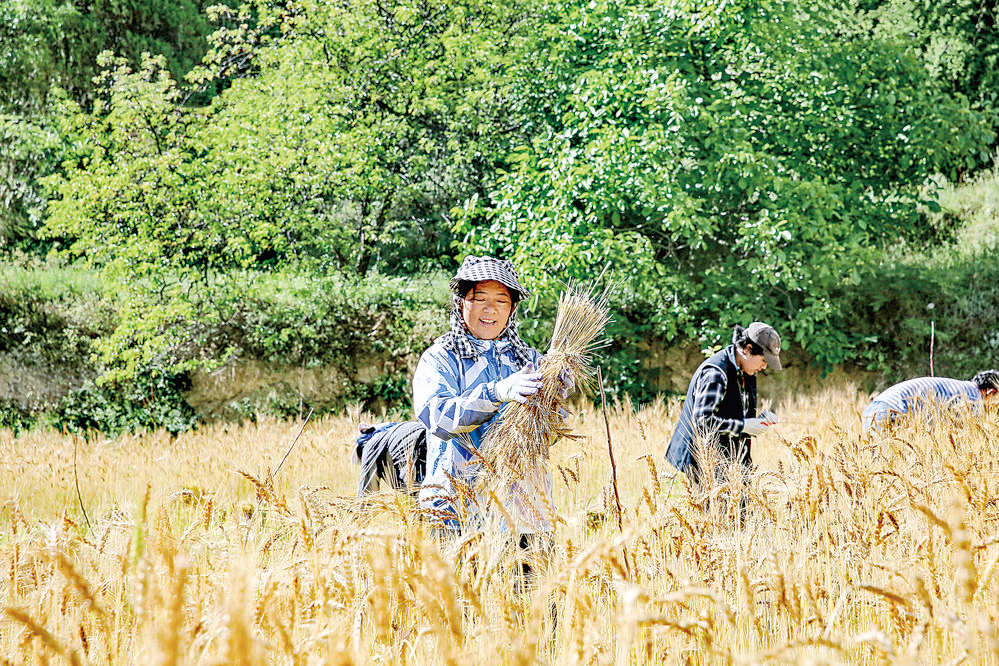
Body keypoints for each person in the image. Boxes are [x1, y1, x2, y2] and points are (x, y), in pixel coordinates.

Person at [413, 255, 571, 535]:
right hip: (457, 513)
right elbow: (438, 419)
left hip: (527, 517)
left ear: (512, 308)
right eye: (480, 298)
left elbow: (550, 437)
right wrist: (496, 392)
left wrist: (554, 400)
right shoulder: (441, 358)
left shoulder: (529, 360)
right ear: (460, 302)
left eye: (501, 300)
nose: (490, 309)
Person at [665, 322, 783, 485]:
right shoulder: (716, 374)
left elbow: (736, 410)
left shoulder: (746, 369)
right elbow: (702, 422)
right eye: (763, 360)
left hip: (731, 461)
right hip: (703, 463)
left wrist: (759, 421)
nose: (764, 367)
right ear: (747, 349)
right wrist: (743, 426)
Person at [862, 370, 999, 433]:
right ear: (991, 392)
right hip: (889, 412)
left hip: (874, 409)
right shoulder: (972, 399)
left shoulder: (960, 388)